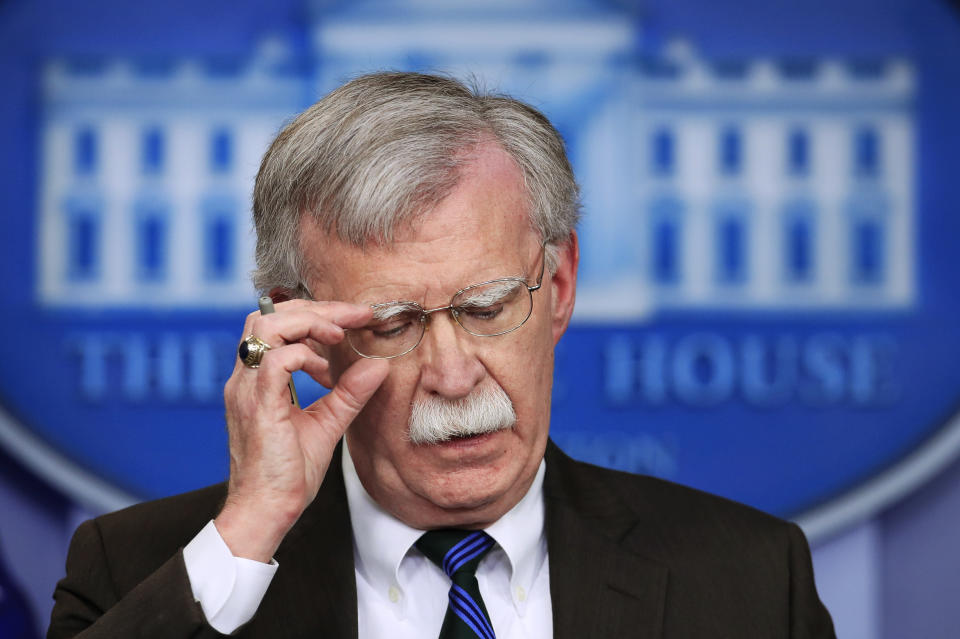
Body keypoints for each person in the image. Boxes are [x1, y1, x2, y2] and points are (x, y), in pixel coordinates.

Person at [47, 71, 835, 639]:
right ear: (302, 329)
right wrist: (250, 532)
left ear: (557, 285)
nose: (454, 375)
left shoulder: (752, 581)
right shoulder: (142, 572)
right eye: (392, 323)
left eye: (487, 307)